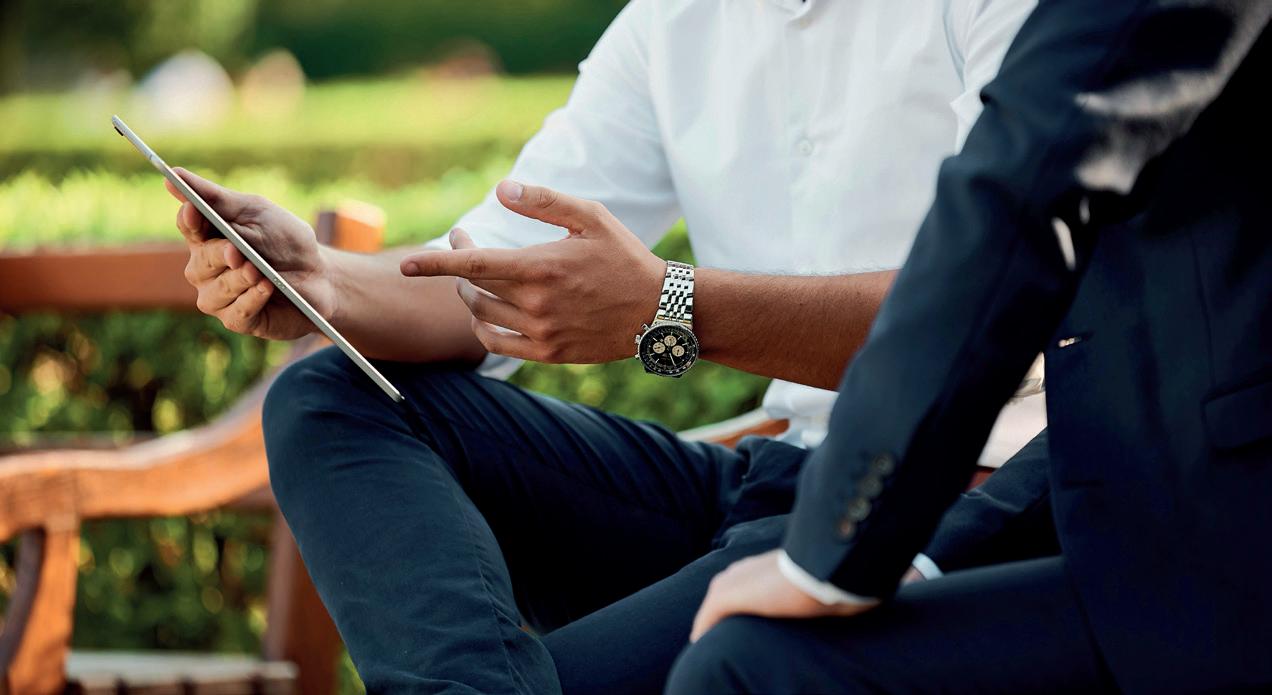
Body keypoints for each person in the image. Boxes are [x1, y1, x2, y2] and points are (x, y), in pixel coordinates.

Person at [166, 0, 1040, 691]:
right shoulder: (673, 21)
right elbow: (494, 267)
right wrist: (320, 279)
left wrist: (670, 307)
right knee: (327, 397)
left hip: (954, 502)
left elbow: (992, 313)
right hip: (770, 480)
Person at [668, 0, 1272, 692]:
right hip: (1084, 513)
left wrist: (833, 552)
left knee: (746, 666)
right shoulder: (671, 25)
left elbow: (1019, 192)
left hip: (1209, 549)